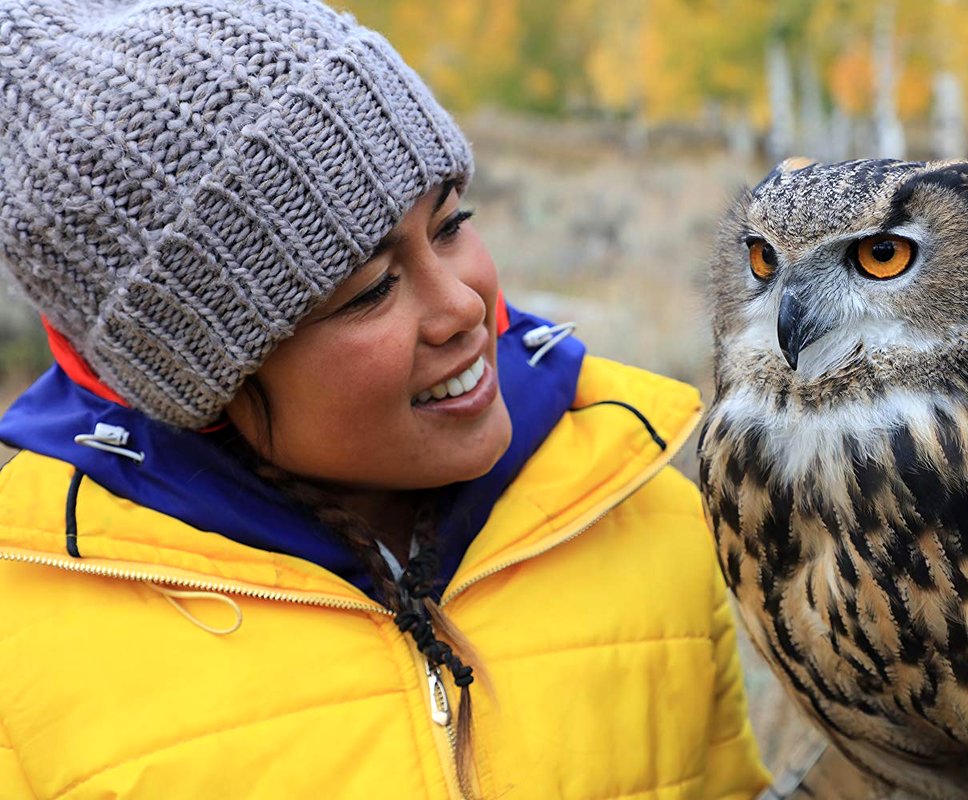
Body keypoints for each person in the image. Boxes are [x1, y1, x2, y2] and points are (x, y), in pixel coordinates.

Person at [0, 1, 771, 798]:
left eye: (450, 225)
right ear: (197, 377)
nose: (466, 308)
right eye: (371, 291)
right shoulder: (25, 651)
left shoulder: (642, 510)